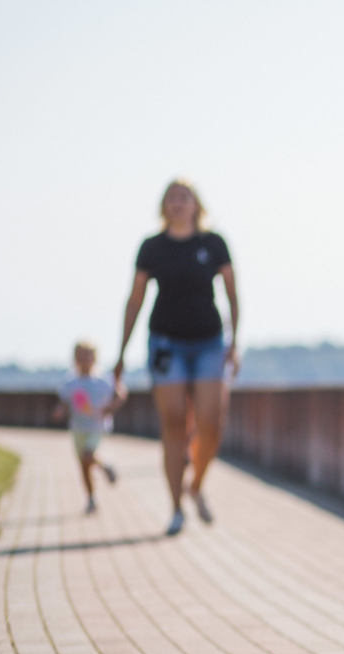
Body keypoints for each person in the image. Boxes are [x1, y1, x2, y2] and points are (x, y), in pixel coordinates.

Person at [113, 179, 239, 536]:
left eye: (183, 197)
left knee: (211, 423)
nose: (177, 203)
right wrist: (121, 352)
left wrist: (234, 342)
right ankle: (175, 508)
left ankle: (196, 485)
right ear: (163, 206)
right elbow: (135, 299)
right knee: (174, 424)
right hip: (166, 343)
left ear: (196, 204)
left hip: (209, 342)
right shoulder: (152, 248)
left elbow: (232, 293)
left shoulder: (213, 243)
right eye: (171, 198)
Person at [52, 341, 127, 514]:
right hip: (78, 427)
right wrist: (60, 411)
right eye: (81, 355)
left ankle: (106, 466)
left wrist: (111, 408)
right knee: (84, 466)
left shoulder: (103, 380)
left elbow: (121, 394)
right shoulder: (70, 382)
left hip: (97, 426)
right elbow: (64, 403)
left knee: (88, 455)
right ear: (75, 358)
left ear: (95, 358)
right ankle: (92, 497)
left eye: (88, 355)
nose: (85, 359)